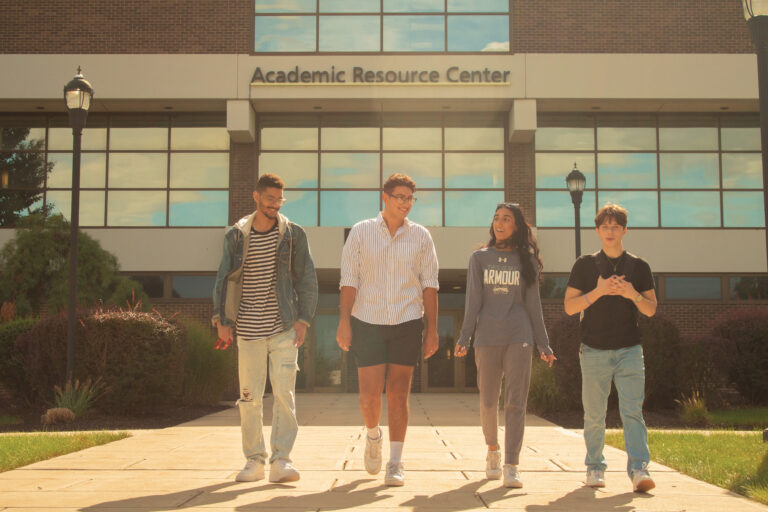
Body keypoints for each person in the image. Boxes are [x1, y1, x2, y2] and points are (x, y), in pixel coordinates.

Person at [212, 173, 318, 483]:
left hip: (283, 326)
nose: (274, 204)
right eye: (269, 198)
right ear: (257, 197)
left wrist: (303, 320)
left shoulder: (293, 234)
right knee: (249, 398)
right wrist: (221, 321)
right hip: (246, 328)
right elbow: (222, 279)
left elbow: (306, 278)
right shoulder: (236, 235)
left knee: (284, 396)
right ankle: (254, 461)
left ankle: (281, 460)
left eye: (279, 200)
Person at [336, 173, 439, 487]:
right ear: (385, 197)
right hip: (367, 320)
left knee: (398, 394)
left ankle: (395, 461)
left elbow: (430, 285)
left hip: (407, 321)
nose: (405, 203)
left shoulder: (421, 236)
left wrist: (432, 329)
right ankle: (373, 435)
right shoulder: (361, 232)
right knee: (369, 397)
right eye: (399, 197)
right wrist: (343, 321)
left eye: (410, 198)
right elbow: (348, 279)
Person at [454, 202, 556, 488]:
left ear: (517, 226)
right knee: (488, 401)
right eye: (496, 218)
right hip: (487, 336)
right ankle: (493, 450)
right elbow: (473, 301)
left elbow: (534, 305)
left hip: (518, 334)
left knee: (515, 402)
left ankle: (512, 463)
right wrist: (464, 337)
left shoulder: (527, 261)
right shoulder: (479, 259)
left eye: (506, 219)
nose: (499, 223)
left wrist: (543, 344)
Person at [564, 203, 658, 493]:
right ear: (597, 230)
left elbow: (652, 309)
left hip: (630, 350)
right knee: (594, 414)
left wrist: (632, 294)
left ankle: (639, 469)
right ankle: (594, 468)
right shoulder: (585, 265)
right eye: (605, 226)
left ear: (624, 230)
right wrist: (599, 290)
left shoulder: (639, 267)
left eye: (615, 226)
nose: (610, 231)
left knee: (632, 412)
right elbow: (569, 307)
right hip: (593, 350)